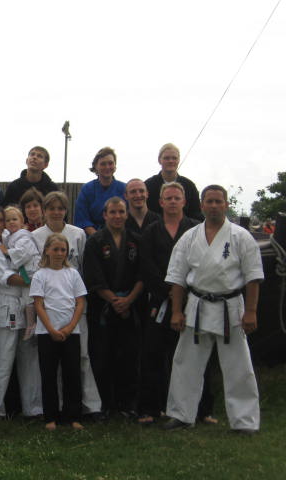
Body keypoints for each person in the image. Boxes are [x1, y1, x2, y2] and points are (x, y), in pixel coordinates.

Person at [164, 185, 263, 433]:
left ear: (226, 205)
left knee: (238, 366)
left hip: (231, 307)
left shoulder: (241, 237)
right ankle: (181, 414)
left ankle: (244, 421)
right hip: (197, 306)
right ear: (201, 205)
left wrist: (251, 311)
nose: (214, 206)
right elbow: (177, 277)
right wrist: (176, 311)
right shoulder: (189, 237)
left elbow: (253, 277)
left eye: (219, 201)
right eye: (209, 201)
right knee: (186, 362)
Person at [138, 182, 215, 424]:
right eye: (168, 198)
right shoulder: (151, 231)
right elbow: (146, 266)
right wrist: (170, 291)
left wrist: (184, 290)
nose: (172, 201)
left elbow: (205, 263)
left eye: (176, 198)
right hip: (160, 301)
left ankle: (203, 409)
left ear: (184, 201)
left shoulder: (196, 230)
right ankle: (152, 408)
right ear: (160, 202)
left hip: (193, 299)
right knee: (153, 354)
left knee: (197, 354)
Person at [32, 191, 103, 417]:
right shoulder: (35, 236)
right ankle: (55, 407)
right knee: (50, 363)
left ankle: (90, 405)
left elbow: (82, 266)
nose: (56, 212)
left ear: (66, 211)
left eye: (60, 208)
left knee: (81, 357)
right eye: (51, 208)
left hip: (74, 302)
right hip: (48, 306)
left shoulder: (77, 233)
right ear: (44, 211)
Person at [0, 205, 42, 419]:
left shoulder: (8, 236)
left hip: (26, 300)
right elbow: (3, 276)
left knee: (29, 357)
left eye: (1, 220)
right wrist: (37, 281)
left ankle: (33, 408)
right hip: (7, 302)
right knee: (3, 359)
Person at [83, 197, 142, 417]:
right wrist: (115, 301)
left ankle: (127, 404)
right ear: (104, 215)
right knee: (102, 355)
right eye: (113, 212)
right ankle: (105, 404)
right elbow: (93, 277)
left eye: (121, 212)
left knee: (129, 355)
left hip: (130, 305)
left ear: (127, 214)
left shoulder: (136, 240)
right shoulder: (95, 241)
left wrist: (129, 300)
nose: (117, 216)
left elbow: (142, 274)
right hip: (103, 307)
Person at [30, 233, 87, 431]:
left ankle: (73, 416)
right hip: (47, 332)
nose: (59, 253)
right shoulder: (40, 275)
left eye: (63, 250)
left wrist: (70, 327)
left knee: (72, 374)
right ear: (47, 250)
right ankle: (51, 416)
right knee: (48, 375)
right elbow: (38, 304)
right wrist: (51, 329)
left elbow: (80, 302)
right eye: (55, 249)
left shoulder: (73, 274)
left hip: (71, 332)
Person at [1, 206, 40, 337]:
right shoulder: (11, 237)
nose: (11, 222)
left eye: (14, 219)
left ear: (22, 221)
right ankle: (31, 324)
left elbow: (23, 253)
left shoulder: (23, 236)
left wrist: (7, 252)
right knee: (27, 298)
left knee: (30, 298)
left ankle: (32, 324)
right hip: (24, 271)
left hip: (32, 270)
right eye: (7, 220)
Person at [74, 147, 126, 236]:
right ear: (96, 167)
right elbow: (82, 219)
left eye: (110, 163)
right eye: (103, 164)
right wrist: (99, 238)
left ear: (115, 166)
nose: (107, 167)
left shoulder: (124, 189)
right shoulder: (86, 190)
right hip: (92, 238)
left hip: (120, 236)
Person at [144, 143, 202, 220]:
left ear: (178, 160)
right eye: (166, 158)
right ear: (159, 160)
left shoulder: (189, 186)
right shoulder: (148, 186)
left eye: (174, 158)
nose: (171, 161)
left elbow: (196, 214)